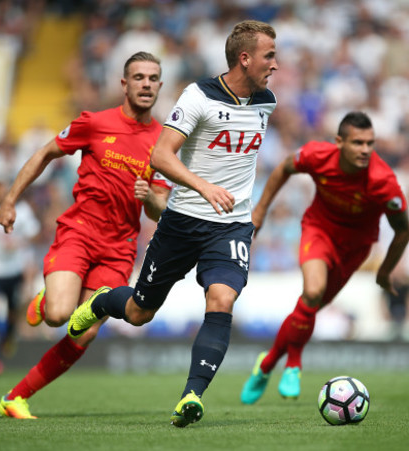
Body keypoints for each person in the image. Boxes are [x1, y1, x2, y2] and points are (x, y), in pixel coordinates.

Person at [67, 20, 278, 427]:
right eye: (269, 55)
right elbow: (161, 156)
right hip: (182, 221)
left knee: (222, 301)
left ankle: (191, 396)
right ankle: (101, 301)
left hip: (231, 225)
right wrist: (204, 187)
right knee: (138, 312)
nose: (275, 63)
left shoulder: (267, 100)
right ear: (245, 58)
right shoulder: (198, 95)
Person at [0, 51, 171, 419]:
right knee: (59, 316)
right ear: (124, 84)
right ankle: (48, 300)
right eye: (138, 77)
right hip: (79, 232)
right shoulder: (95, 122)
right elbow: (46, 152)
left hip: (119, 248)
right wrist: (10, 200)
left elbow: (159, 209)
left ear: (160, 85)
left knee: (85, 333)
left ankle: (15, 397)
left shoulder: (164, 142)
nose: (145, 84)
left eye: (153, 78)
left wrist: (150, 198)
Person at [240, 111, 409, 404]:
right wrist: (260, 211)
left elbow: (403, 231)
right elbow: (283, 168)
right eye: (358, 143)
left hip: (354, 250)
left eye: (370, 143)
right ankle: (294, 364)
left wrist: (384, 271)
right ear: (339, 142)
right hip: (318, 231)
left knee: (309, 308)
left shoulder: (383, 182)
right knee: (313, 291)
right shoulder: (317, 155)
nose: (365, 150)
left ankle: (266, 365)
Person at [0, 178, 41, 375]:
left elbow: (36, 235)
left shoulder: (23, 212)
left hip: (14, 270)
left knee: (12, 312)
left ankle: (9, 337)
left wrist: (21, 241)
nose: (2, 195)